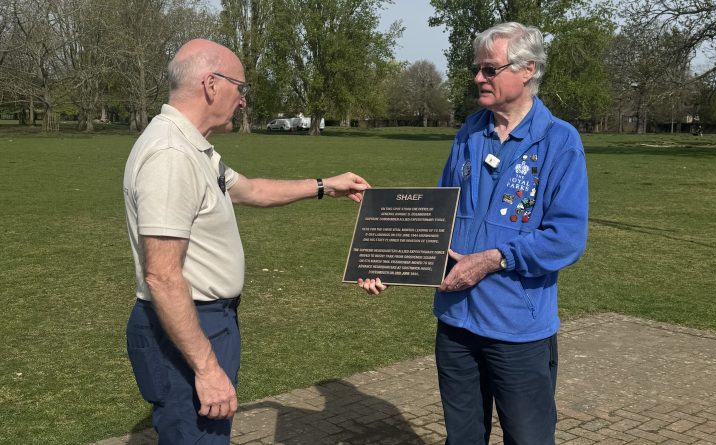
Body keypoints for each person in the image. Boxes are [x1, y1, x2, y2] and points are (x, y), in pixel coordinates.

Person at [123, 39, 369, 444]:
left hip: (205, 320)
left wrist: (325, 186)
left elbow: (251, 190)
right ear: (211, 84)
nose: (243, 100)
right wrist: (206, 369)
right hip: (187, 324)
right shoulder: (170, 154)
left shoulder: (194, 147)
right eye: (241, 87)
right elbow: (162, 276)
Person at [359, 22, 588, 444]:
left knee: (529, 438)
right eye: (477, 68)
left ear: (526, 70)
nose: (477, 78)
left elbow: (567, 237)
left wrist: (492, 259)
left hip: (516, 328)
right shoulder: (469, 132)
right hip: (456, 321)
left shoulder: (560, 142)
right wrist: (388, 245)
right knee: (462, 438)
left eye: (489, 69)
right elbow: (440, 214)